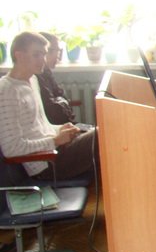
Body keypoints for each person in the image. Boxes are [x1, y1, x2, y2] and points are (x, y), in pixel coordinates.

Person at [0, 32, 96, 180]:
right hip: (44, 164)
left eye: (44, 54)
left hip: (54, 150)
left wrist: (60, 129)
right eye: (36, 55)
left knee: (102, 134)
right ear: (19, 55)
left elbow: (40, 126)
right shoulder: (6, 91)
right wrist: (55, 141)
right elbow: (11, 149)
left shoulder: (32, 80)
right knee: (101, 136)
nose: (43, 60)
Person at [36, 32, 76, 125]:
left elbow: (62, 98)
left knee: (96, 130)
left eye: (59, 51)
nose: (58, 56)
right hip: (56, 129)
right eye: (55, 51)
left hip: (64, 125)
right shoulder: (36, 78)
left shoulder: (46, 72)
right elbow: (54, 111)